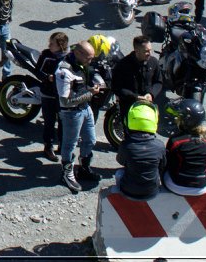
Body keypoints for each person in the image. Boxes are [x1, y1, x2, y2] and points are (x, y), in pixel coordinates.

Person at [56, 40, 101, 193]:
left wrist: (90, 89)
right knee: (69, 144)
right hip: (72, 114)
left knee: (90, 140)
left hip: (85, 108)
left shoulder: (80, 64)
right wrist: (90, 94)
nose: (91, 61)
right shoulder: (64, 72)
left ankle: (84, 168)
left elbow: (80, 87)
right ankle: (67, 173)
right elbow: (66, 101)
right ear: (78, 53)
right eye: (88, 58)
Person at [164, 100, 206, 196]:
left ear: (185, 121)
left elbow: (167, 164)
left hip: (176, 185)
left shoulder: (175, 141)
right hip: (201, 187)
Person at [115, 103, 166, 200]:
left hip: (128, 191)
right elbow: (162, 165)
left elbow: (121, 161)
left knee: (119, 172)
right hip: (152, 192)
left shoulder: (125, 145)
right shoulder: (160, 145)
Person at [111, 34, 164, 124]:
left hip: (149, 106)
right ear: (136, 50)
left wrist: (151, 94)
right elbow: (116, 87)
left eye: (150, 50)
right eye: (146, 51)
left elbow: (158, 82)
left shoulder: (153, 62)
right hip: (130, 108)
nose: (150, 53)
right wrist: (135, 97)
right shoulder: (123, 65)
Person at [35, 31, 70, 159]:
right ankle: (48, 147)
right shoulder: (46, 55)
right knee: (49, 122)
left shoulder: (69, 57)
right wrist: (47, 77)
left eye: (52, 43)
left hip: (62, 95)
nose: (49, 45)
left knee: (63, 121)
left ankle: (62, 145)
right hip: (48, 93)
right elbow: (38, 71)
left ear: (61, 45)